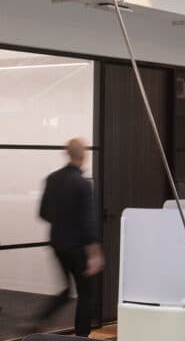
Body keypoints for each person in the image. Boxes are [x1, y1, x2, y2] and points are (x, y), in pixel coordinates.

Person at [36, 138, 104, 337]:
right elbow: (88, 223)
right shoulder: (82, 184)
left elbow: (43, 213)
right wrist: (95, 254)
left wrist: (61, 222)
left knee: (66, 290)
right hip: (77, 248)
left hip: (57, 244)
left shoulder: (52, 178)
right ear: (83, 155)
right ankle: (81, 336)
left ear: (67, 153)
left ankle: (39, 321)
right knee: (86, 295)